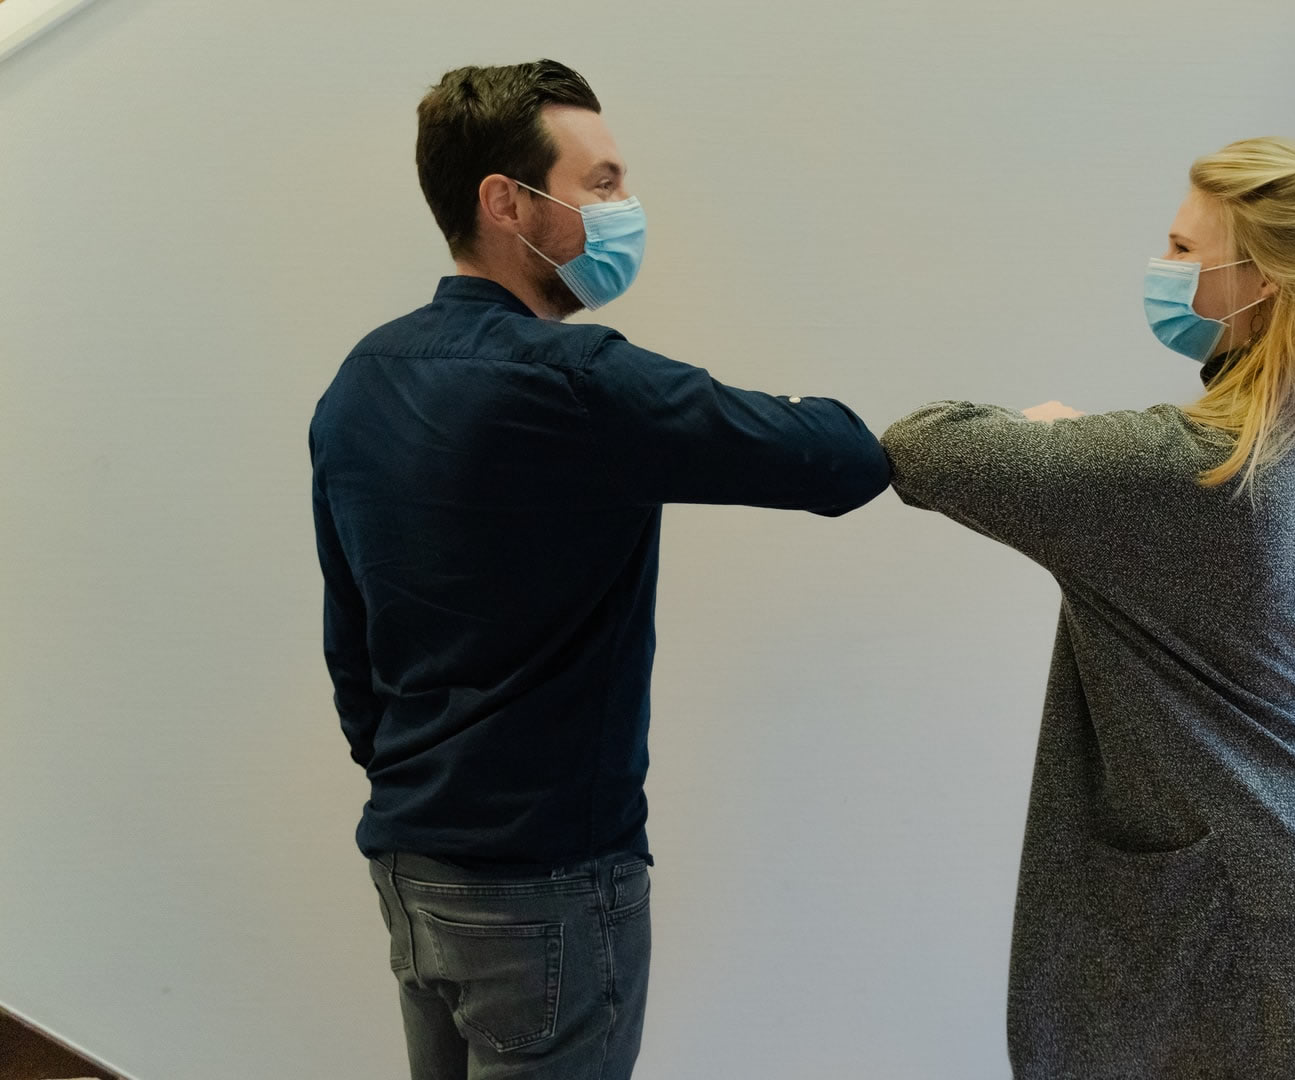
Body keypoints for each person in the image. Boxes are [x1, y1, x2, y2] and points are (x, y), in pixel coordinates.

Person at [308, 60, 890, 1080]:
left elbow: (349, 640)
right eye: (605, 182)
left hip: (414, 866)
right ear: (504, 202)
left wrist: (415, 785)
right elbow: (839, 458)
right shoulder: (575, 382)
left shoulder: (362, 378)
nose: (627, 209)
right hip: (548, 889)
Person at [882, 137, 1295, 1079]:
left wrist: (1047, 437)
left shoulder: (1184, 471)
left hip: (1249, 901)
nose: (1161, 268)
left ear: (1258, 283)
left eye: (1181, 250)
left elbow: (923, 445)